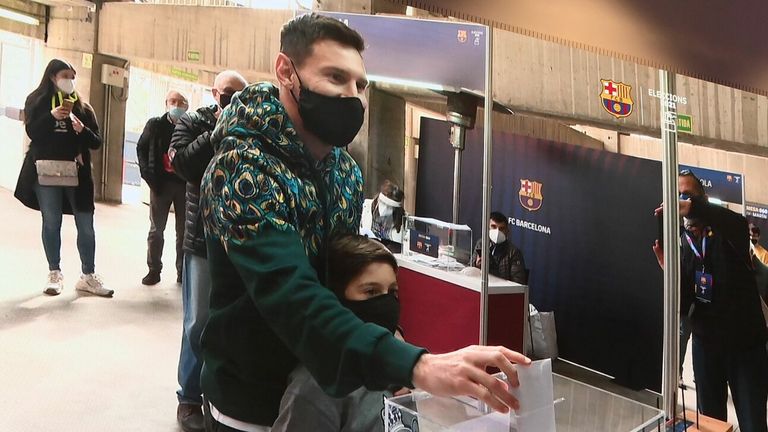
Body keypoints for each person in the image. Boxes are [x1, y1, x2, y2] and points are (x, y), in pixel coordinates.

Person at [199, 14, 530, 432]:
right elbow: (292, 296)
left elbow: (344, 278)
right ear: (287, 72)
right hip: (252, 401)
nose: (351, 96)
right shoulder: (241, 170)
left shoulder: (344, 171)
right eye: (335, 77)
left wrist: (390, 346)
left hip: (326, 387)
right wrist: (416, 365)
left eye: (359, 85)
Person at [653, 170, 768, 430]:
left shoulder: (730, 232)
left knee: (753, 424)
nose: (681, 202)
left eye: (687, 196)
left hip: (746, 348)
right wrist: (670, 275)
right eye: (677, 196)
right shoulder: (683, 244)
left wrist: (692, 206)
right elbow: (684, 306)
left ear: (701, 201)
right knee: (711, 424)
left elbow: (736, 222)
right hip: (707, 348)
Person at [169, 70, 248, 432]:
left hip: (237, 242)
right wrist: (216, 131)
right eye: (227, 93)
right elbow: (184, 164)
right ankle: (188, 397)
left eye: (239, 96)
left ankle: (215, 396)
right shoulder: (193, 121)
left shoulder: (249, 128)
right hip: (201, 241)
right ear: (214, 92)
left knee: (227, 321)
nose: (232, 100)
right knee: (197, 322)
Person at [272, 234, 406, 432]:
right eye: (371, 292)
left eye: (392, 292)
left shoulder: (392, 368)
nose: (386, 304)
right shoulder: (315, 389)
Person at [14, 59, 113, 298]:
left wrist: (82, 130)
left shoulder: (83, 108)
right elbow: (33, 132)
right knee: (51, 221)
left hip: (77, 173)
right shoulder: (36, 101)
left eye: (73, 76)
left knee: (86, 225)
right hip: (45, 171)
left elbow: (97, 142)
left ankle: (88, 275)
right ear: (52, 77)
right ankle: (54, 272)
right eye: (65, 75)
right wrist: (51, 116)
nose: (69, 80)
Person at [137, 90, 189, 285]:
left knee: (183, 232)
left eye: (180, 102)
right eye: (172, 101)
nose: (176, 105)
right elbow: (141, 148)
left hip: (184, 185)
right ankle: (154, 270)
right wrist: (147, 173)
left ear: (186, 106)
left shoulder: (190, 126)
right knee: (156, 230)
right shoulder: (155, 125)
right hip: (160, 184)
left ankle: (182, 272)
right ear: (166, 103)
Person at [470, 212, 527, 284]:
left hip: (501, 291)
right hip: (480, 286)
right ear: (487, 228)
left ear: (507, 231)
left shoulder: (514, 252)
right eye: (493, 227)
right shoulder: (481, 243)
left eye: (501, 228)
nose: (497, 232)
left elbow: (518, 283)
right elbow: (469, 269)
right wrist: (476, 265)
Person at [360, 179, 406, 248]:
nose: (385, 209)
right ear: (379, 200)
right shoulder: (366, 208)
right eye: (383, 204)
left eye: (389, 207)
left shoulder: (403, 220)